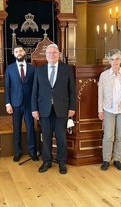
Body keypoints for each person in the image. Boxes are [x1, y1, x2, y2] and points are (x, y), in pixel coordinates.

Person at [31, 43, 76, 174]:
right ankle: (47, 161)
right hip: (44, 110)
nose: (51, 55)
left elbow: (72, 90)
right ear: (46, 55)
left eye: (54, 53)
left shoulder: (66, 69)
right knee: (46, 138)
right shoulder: (39, 70)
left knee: (61, 138)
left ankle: (62, 163)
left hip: (61, 109)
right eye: (49, 53)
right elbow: (35, 91)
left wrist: (72, 107)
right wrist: (34, 109)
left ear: (58, 55)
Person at [98, 49, 121, 171]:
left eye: (117, 59)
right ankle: (106, 160)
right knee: (108, 135)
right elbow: (100, 94)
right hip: (108, 109)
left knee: (120, 136)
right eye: (112, 59)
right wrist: (100, 110)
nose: (115, 61)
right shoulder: (104, 75)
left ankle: (117, 159)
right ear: (109, 61)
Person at [4, 46, 39, 162]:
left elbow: (35, 88)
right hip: (15, 103)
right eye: (16, 52)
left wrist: (35, 105)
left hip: (29, 104)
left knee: (30, 128)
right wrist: (8, 103)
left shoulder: (33, 68)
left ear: (25, 52)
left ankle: (32, 151)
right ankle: (17, 152)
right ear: (14, 54)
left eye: (20, 51)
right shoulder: (9, 68)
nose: (18, 53)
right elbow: (7, 88)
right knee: (17, 128)